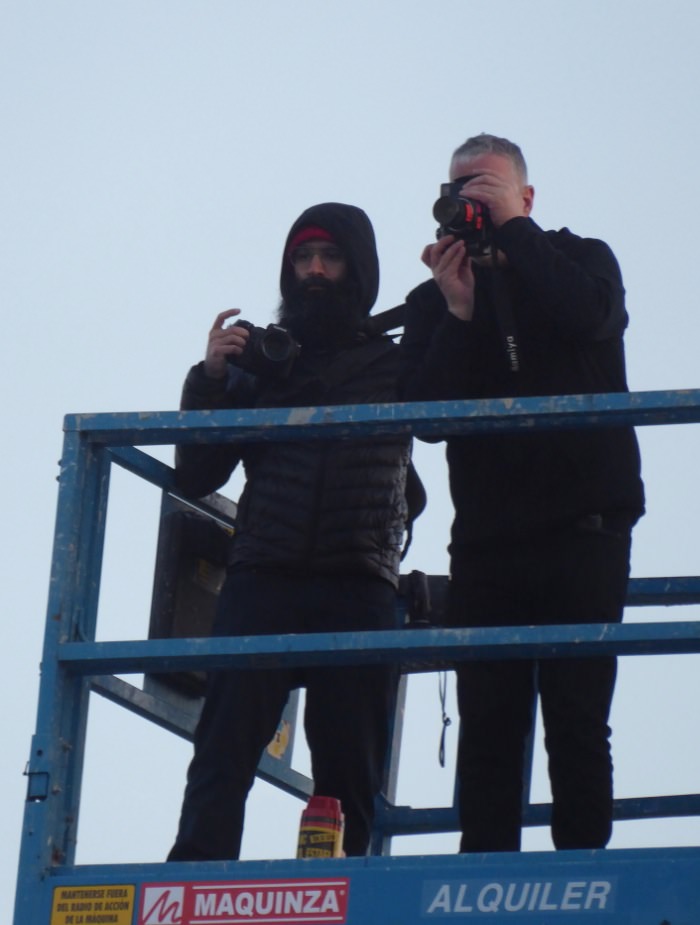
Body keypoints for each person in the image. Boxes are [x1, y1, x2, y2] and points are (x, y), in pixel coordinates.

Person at [400, 134, 645, 853]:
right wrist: (459, 312)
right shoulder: (437, 294)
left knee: (577, 722)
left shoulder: (582, 259)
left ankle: (585, 886)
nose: (470, 200)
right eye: (459, 190)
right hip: (488, 543)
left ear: (527, 197)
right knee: (490, 731)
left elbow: (589, 317)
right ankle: (483, 887)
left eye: (487, 187)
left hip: (585, 529)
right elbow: (425, 415)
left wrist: (516, 235)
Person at [167, 202, 417, 861]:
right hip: (264, 574)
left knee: (348, 765)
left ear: (357, 270)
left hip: (357, 578)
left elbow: (455, 413)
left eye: (329, 257)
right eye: (302, 259)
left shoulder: (397, 365)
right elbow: (194, 473)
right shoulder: (264, 363)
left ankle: (347, 890)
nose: (313, 271)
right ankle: (195, 881)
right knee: (221, 749)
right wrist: (213, 379)